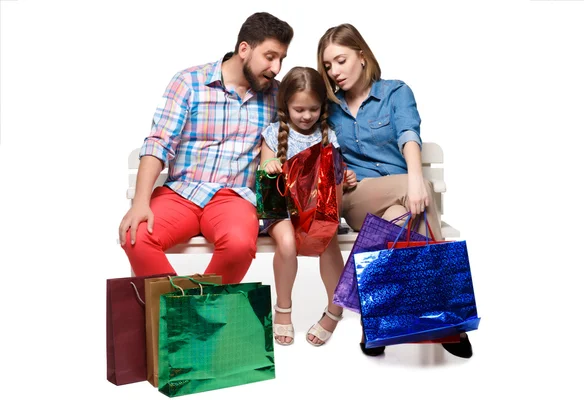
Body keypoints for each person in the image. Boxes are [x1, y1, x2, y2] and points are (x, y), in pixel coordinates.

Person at [317, 23, 473, 358]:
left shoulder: (395, 92)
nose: (334, 72)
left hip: (404, 200)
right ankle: (447, 319)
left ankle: (374, 324)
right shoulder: (329, 107)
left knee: (397, 217)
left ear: (361, 55)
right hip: (357, 197)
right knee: (418, 194)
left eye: (340, 60)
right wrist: (416, 184)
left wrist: (414, 179)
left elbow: (408, 133)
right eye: (328, 66)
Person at [118, 12, 293, 284]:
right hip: (182, 192)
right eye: (270, 56)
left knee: (238, 245)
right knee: (136, 235)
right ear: (244, 49)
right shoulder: (189, 82)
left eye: (281, 58)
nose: (276, 67)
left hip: (234, 198)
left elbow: (301, 134)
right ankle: (186, 315)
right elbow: (158, 143)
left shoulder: (277, 96)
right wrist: (141, 202)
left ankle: (188, 316)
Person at [259, 66, 357, 347]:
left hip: (314, 209)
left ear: (322, 108)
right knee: (287, 244)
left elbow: (336, 173)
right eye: (299, 109)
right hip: (281, 209)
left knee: (327, 240)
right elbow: (265, 171)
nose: (306, 116)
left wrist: (346, 176)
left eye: (313, 109)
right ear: (286, 105)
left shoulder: (326, 134)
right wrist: (271, 165)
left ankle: (334, 309)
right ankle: (283, 309)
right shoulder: (274, 132)